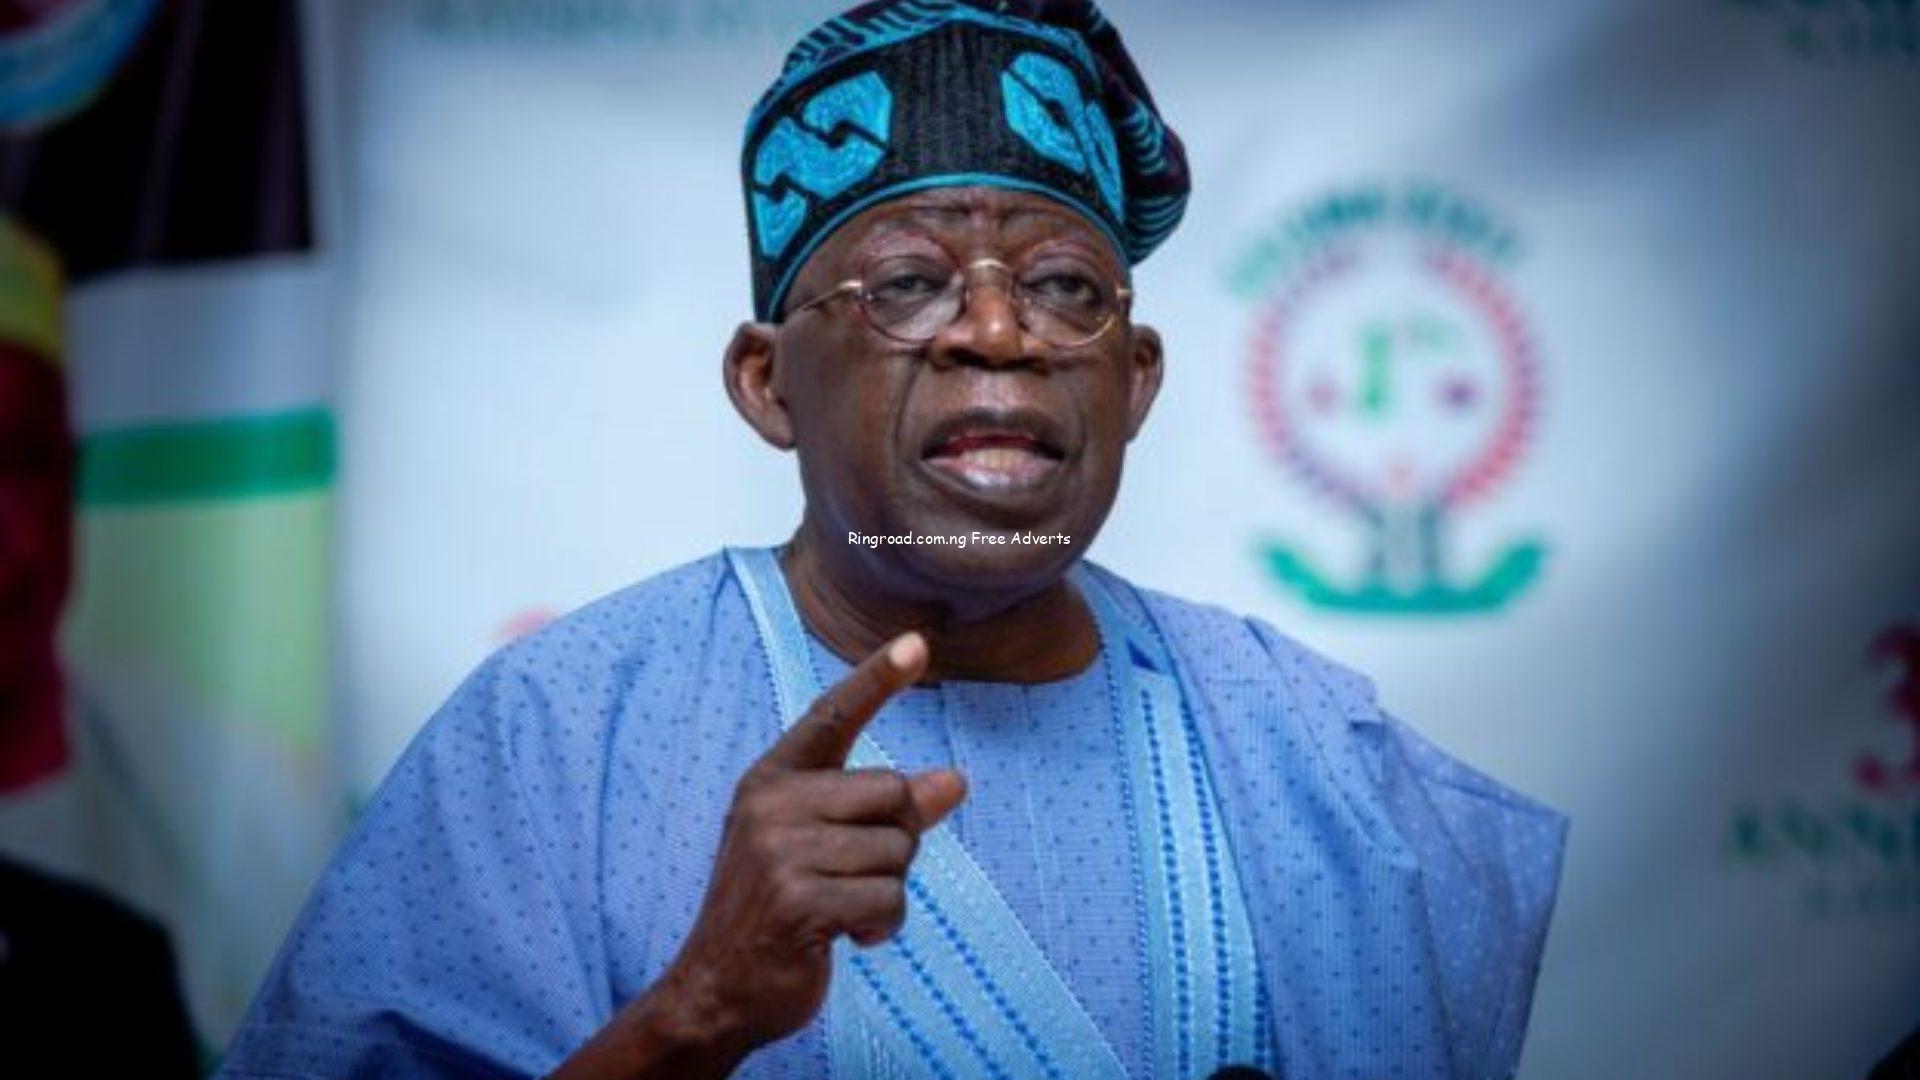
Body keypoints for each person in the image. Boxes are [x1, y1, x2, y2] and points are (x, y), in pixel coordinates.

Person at [219, 2, 1567, 1077]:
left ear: (1136, 379)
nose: (1000, 331)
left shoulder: (1315, 756)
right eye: (910, 283)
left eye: (1064, 288)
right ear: (767, 384)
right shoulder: (558, 736)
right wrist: (697, 1014)